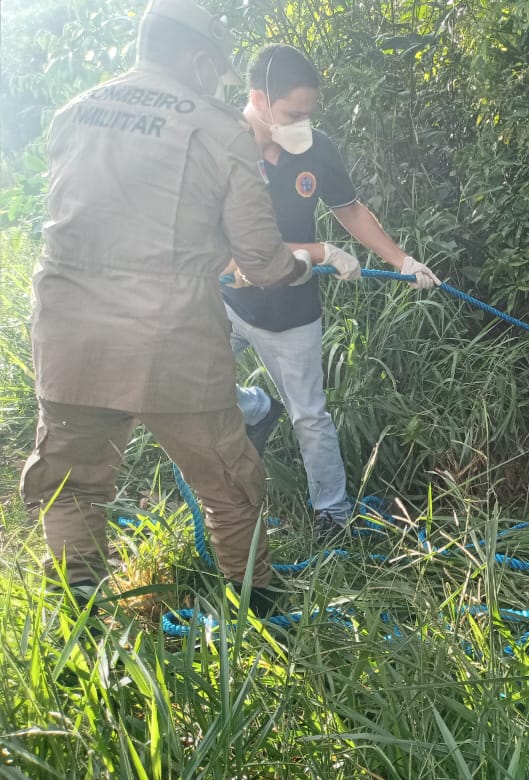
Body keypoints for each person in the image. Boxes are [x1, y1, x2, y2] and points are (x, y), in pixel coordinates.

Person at [19, 0, 319, 614]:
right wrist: (301, 267)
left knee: (73, 490)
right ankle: (262, 621)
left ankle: (87, 631)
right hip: (171, 339)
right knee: (229, 487)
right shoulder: (217, 126)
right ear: (202, 59)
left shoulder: (74, 112)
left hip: (69, 334)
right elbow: (260, 259)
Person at [223, 44, 440, 533]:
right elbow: (227, 242)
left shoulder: (315, 148)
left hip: (291, 312)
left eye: (309, 113)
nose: (302, 123)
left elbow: (350, 209)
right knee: (188, 375)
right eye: (292, 113)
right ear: (259, 99)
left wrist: (401, 260)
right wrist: (319, 251)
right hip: (230, 302)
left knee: (310, 417)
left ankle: (333, 515)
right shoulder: (221, 145)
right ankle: (255, 407)